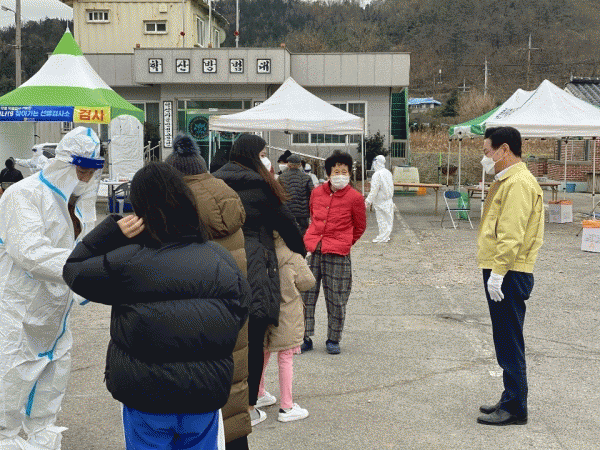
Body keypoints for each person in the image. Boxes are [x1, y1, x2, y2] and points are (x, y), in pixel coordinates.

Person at [62, 162, 251, 449]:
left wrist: (111, 231)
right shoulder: (219, 258)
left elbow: (74, 270)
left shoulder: (129, 260)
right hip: (204, 392)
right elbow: (240, 309)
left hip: (146, 395)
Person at [0, 127, 105, 450]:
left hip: (56, 316)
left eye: (91, 172)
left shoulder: (76, 202)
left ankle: (42, 439)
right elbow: (30, 253)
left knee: (50, 388)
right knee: (9, 386)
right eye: (81, 170)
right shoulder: (23, 195)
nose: (86, 178)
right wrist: (87, 271)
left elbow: (82, 247)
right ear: (63, 163)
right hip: (20, 311)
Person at [165, 133, 252, 450]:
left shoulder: (173, 204)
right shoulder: (226, 196)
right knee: (232, 386)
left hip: (192, 322)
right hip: (232, 315)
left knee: (194, 409)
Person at [213, 134, 305, 427]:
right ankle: (250, 406)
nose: (266, 159)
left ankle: (220, 401)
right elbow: (288, 225)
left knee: (223, 338)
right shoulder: (262, 187)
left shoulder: (215, 182)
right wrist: (300, 250)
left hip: (217, 265)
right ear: (253, 155)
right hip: (254, 266)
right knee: (253, 339)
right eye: (263, 154)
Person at [476, 127, 544, 426]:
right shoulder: (508, 181)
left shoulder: (517, 184)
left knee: (509, 340)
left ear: (504, 150)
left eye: (487, 152)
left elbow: (511, 234)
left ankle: (516, 407)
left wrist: (497, 273)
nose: (485, 158)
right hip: (504, 269)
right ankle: (510, 397)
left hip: (508, 272)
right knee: (504, 338)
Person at [301, 150, 366, 355]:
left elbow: (360, 226)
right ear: (328, 173)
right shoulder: (316, 193)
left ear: (349, 173)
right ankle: (304, 336)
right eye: (336, 171)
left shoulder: (355, 197)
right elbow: (313, 215)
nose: (340, 175)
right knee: (305, 295)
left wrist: (344, 242)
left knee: (336, 297)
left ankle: (333, 338)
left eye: (344, 171)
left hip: (338, 253)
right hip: (314, 250)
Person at [257, 232, 315, 422]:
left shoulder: (259, 252)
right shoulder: (292, 256)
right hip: (288, 313)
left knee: (262, 352)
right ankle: (287, 406)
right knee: (286, 356)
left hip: (264, 310)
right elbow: (308, 282)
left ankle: (258, 393)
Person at [278, 154, 314, 236]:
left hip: (287, 211)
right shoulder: (307, 178)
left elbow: (276, 193)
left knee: (289, 235)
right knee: (303, 234)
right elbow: (313, 194)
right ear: (300, 165)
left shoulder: (281, 177)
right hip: (303, 213)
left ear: (288, 164)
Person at [364, 154, 395, 243]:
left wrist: (367, 201)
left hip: (380, 201)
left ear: (377, 162)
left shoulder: (377, 174)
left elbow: (374, 190)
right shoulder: (388, 172)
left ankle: (382, 237)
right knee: (388, 220)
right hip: (388, 200)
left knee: (382, 220)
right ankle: (385, 236)